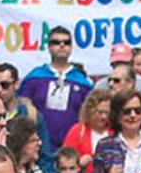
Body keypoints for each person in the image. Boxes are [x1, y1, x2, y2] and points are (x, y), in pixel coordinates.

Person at [21, 25, 93, 156]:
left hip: (72, 148)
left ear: (71, 47)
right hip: (39, 146)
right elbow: (21, 107)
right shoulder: (34, 78)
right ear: (48, 46)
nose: (61, 45)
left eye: (66, 42)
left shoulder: (83, 83)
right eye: (56, 42)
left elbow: (88, 115)